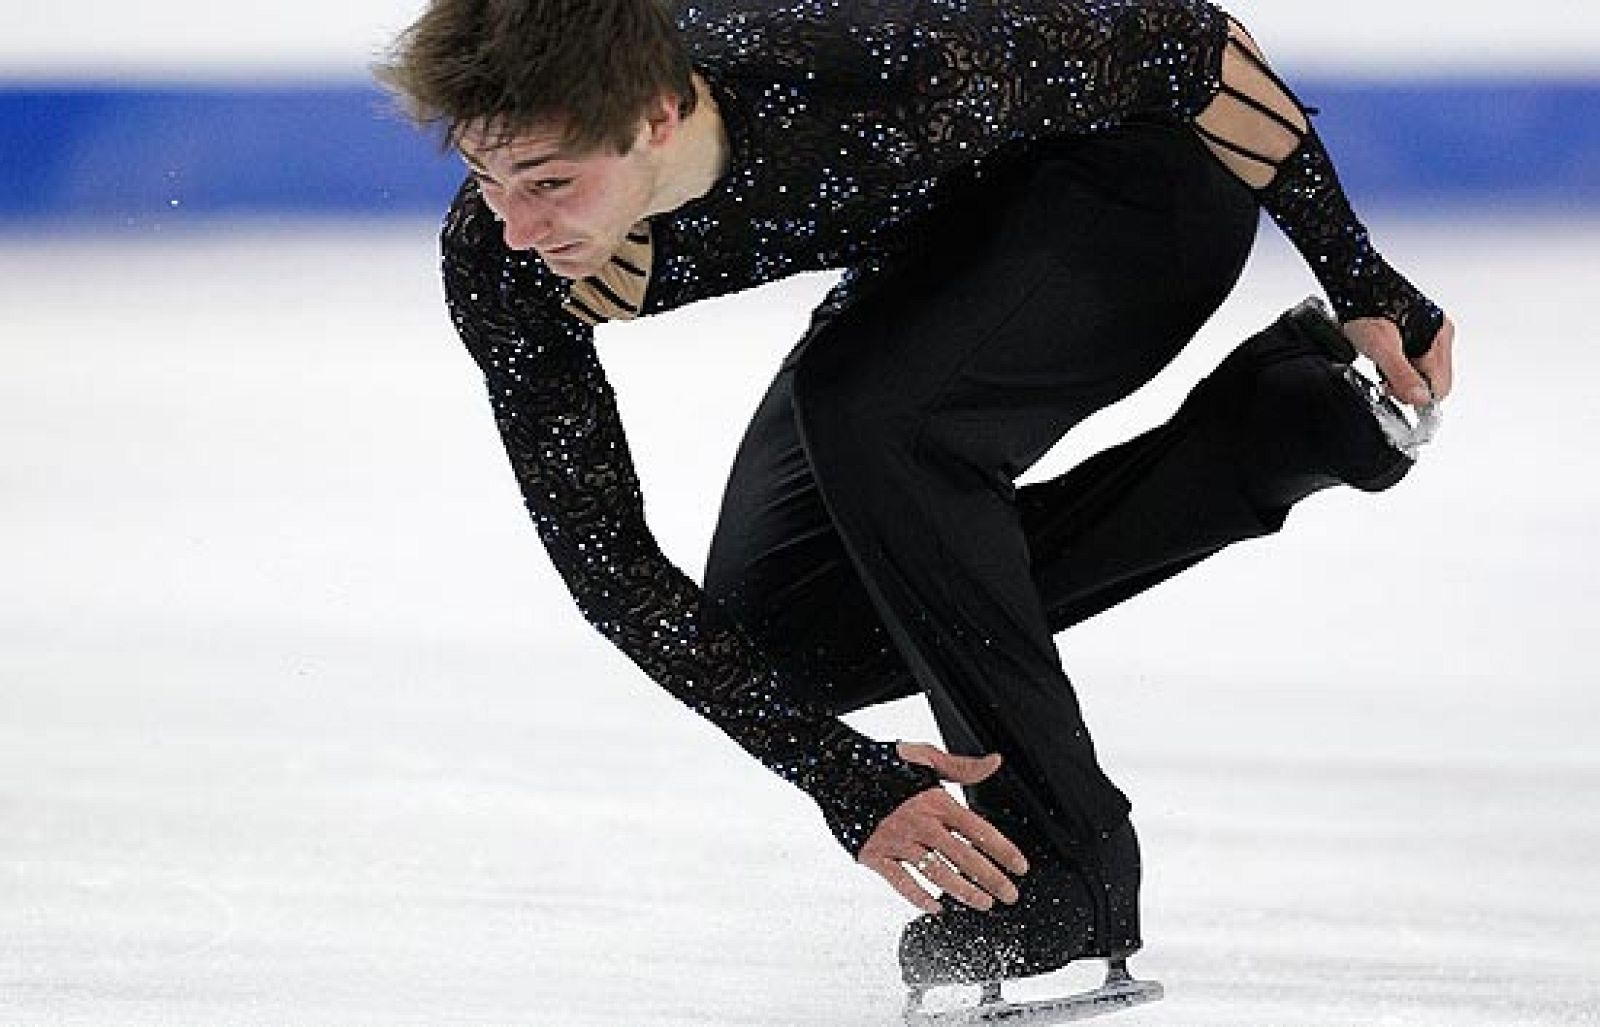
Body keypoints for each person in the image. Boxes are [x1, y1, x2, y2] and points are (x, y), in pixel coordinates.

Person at [377, 0, 1455, 992]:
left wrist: (1359, 278)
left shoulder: (859, 65)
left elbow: (1194, 44)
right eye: (488, 178)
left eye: (552, 183)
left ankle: (1070, 866)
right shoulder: (508, 266)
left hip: (1146, 193)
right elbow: (604, 560)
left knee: (878, 417)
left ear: (657, 116)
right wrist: (842, 776)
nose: (517, 225)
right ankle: (1282, 432)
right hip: (950, 242)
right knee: (780, 643)